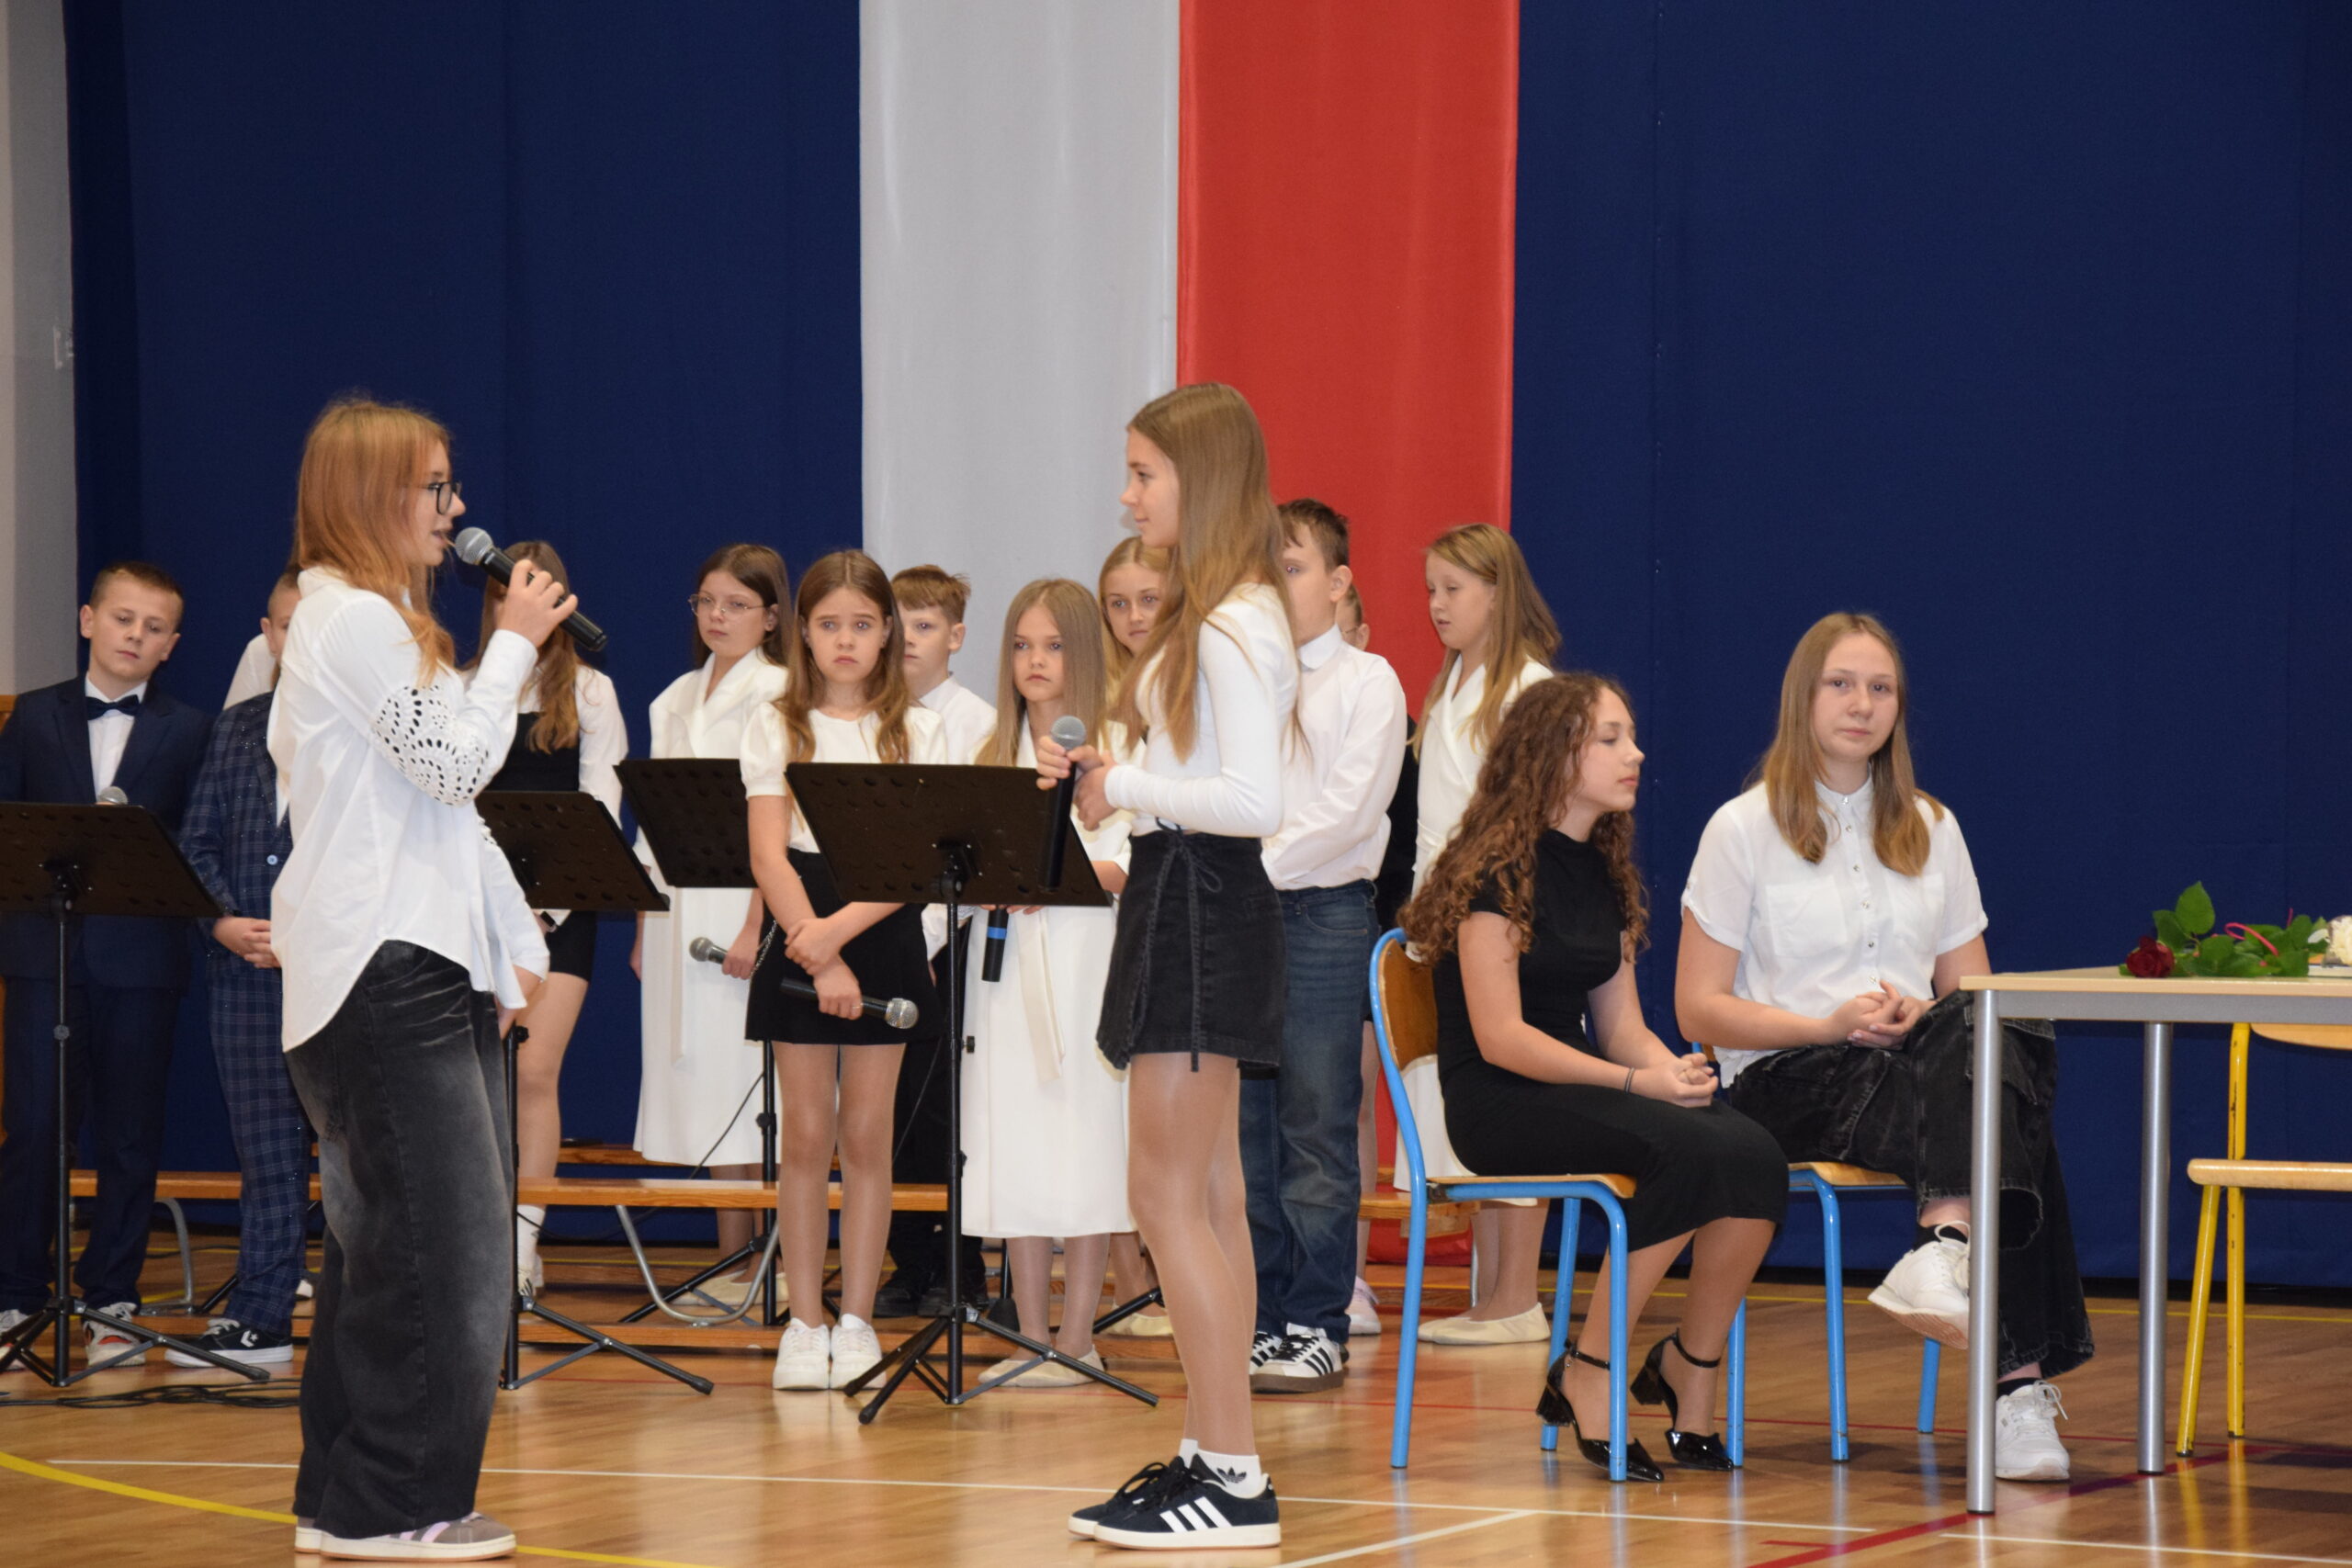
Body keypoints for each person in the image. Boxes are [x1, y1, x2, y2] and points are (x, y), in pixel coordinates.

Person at [1675, 611, 2090, 1483]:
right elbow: (1697, 1009)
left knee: (1997, 1038)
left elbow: (1976, 997)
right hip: (1785, 1075)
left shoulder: (1934, 827)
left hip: (1908, 1067)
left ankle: (1949, 1254)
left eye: (1880, 688)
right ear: (1804, 696)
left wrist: (1915, 1009)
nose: (1861, 704)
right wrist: (1827, 1022)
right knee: (2007, 1119)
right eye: (1841, 684)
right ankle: (2013, 1380)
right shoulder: (1741, 828)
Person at [268, 397, 569, 1559]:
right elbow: (453, 768)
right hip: (385, 972)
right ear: (371, 492)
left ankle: (344, 1495)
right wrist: (516, 644)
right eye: (434, 486)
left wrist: (506, 943)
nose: (455, 507)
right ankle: (396, 1504)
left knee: (383, 1252)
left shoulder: (377, 625)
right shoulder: (348, 620)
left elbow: (442, 818)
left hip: (405, 964)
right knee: (446, 1257)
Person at [1403, 673, 1786, 1481]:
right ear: (1551, 755)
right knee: (1683, 1151)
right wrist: (1634, 1085)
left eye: (1630, 735)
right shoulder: (1491, 868)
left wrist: (1669, 1068)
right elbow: (1502, 1038)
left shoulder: (1599, 870)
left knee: (1754, 1153)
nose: (1635, 753)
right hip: (1499, 1101)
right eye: (1610, 738)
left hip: (1576, 1086)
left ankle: (1690, 1366)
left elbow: (1620, 1029)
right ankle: (1591, 1367)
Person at [1041, 383, 1295, 1550]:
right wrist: (1123, 783)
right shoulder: (1227, 614)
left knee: (1165, 1200)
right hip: (1191, 899)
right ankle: (1210, 1448)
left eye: (1144, 473)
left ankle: (1232, 1475)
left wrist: (1123, 783)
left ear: (1203, 478)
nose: (1128, 494)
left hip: (1198, 903)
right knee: (1210, 1199)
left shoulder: (1232, 624)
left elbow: (1253, 802)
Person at [0, 561, 211, 1371]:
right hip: (42, 954)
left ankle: (111, 1294)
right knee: (35, 1125)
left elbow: (195, 844)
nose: (135, 635)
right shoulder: (33, 715)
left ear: (171, 645)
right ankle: (18, 1289)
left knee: (129, 1132)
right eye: (123, 618)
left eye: (154, 628)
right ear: (89, 620)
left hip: (142, 961)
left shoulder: (189, 729)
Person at [743, 549, 946, 1392]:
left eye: (862, 624)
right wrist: (812, 941)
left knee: (867, 1136)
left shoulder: (919, 730)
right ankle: (805, 1322)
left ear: (887, 631)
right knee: (805, 1136)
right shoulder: (776, 722)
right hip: (802, 917)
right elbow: (768, 851)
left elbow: (912, 862)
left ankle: (857, 1319)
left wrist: (836, 939)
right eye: (829, 624)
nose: (846, 640)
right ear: (804, 632)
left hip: (877, 920)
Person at [1245, 500, 1406, 1393]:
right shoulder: (1241, 680)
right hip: (1243, 918)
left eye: (1294, 566)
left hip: (1322, 916)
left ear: (1339, 581)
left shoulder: (1367, 680)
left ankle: (1317, 1319)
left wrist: (1248, 868)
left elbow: (1348, 812)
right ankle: (1263, 1316)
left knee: (1315, 1123)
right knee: (1247, 1132)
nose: (1277, 584)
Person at [963, 578, 1136, 1385]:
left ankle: (1077, 1337)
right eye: (1022, 645)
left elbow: (1131, 858)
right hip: (1003, 968)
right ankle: (1031, 1335)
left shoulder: (1117, 743)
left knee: (1083, 1135)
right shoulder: (991, 751)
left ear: (1086, 652)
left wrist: (1059, 876)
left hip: (1083, 957)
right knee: (1016, 1141)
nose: (1035, 660)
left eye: (1054, 645)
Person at [1402, 522, 1562, 1346]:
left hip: (1501, 918)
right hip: (1450, 915)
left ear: (1497, 593)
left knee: (1514, 1096)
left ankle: (1517, 1295)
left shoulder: (1529, 689)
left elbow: (1528, 818)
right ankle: (1495, 1293)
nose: (1436, 605)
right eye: (1430, 589)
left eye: (1452, 589)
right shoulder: (1452, 684)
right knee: (1476, 1100)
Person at [631, 545, 791, 1305]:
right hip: (680, 905)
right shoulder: (672, 697)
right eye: (706, 602)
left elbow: (778, 824)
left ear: (771, 617)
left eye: (736, 604)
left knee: (751, 1085)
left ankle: (771, 1265)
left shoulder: (781, 693)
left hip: (743, 904)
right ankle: (732, 1267)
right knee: (703, 1087)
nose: (718, 616)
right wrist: (645, 923)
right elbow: (652, 823)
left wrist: (758, 923)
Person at [472, 541, 627, 1294]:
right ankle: (474, 1242)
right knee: (474, 1079)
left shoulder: (591, 691)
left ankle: (522, 1245)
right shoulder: (467, 687)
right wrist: (497, 909)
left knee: (533, 1073)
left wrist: (538, 913)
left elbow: (600, 811)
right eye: (510, 591)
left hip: (560, 912)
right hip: (476, 910)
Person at [169, 569, 307, 1367]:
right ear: (268, 633)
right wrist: (221, 920)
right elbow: (195, 842)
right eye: (287, 625)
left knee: (356, 1162)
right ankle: (262, 1315)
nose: (299, 639)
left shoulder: (363, 733)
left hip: (333, 977)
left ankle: (363, 1323)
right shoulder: (235, 728)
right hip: (246, 978)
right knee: (265, 1154)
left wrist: (309, 931)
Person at [876, 562, 996, 1319]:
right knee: (889, 1105)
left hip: (945, 939)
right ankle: (908, 1260)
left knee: (945, 1104)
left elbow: (971, 850)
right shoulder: (872, 717)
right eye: (900, 625)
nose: (909, 640)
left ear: (956, 636)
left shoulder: (978, 723)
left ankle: (961, 1264)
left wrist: (921, 936)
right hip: (881, 929)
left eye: (925, 626)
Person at [1094, 534, 1175, 1336]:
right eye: (1117, 603)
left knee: (1157, 1129)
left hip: (1154, 911)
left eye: (1148, 599)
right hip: (1101, 926)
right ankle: (1128, 1275)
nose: (1133, 616)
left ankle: (1158, 1275)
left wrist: (1106, 868)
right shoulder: (1111, 697)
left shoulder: (1177, 693)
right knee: (1109, 1114)